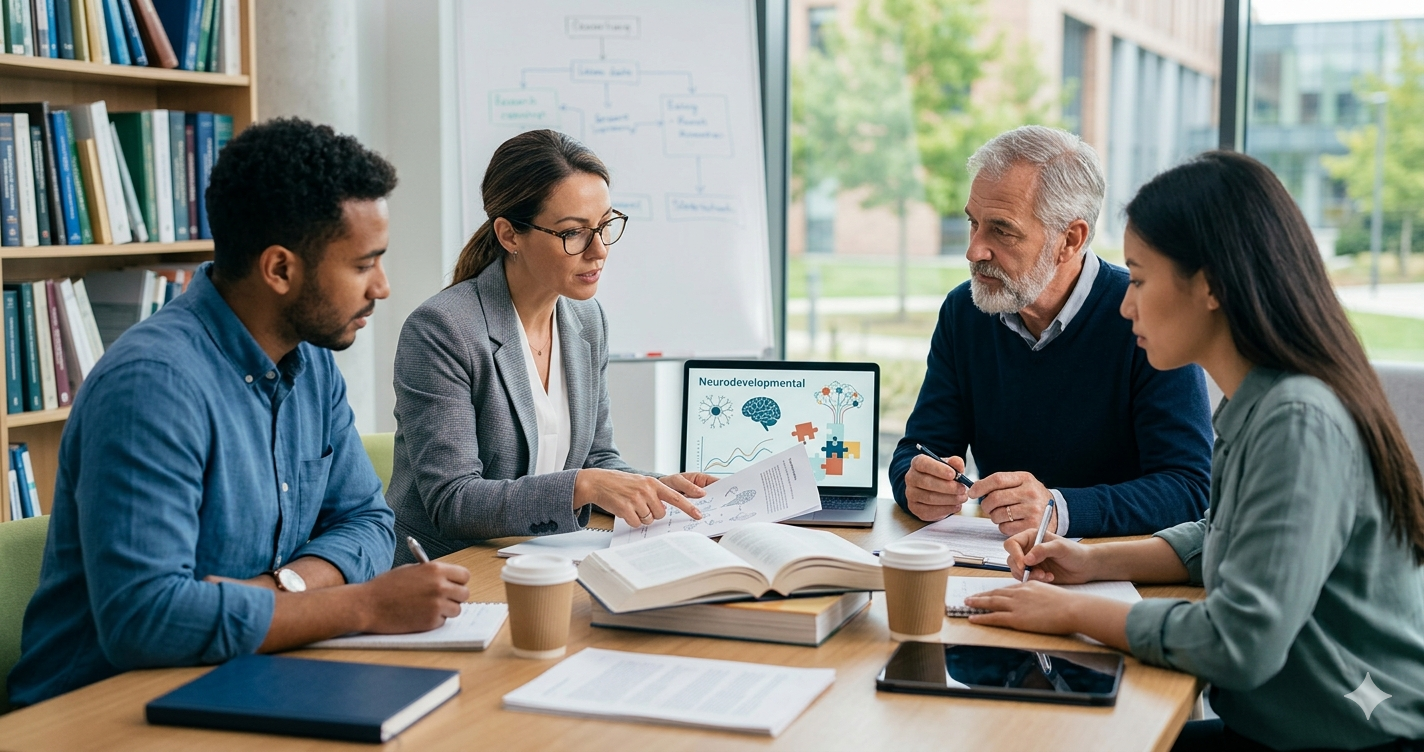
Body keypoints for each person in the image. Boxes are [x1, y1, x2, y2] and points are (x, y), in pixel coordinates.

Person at [965, 152, 1424, 751]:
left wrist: (1070, 612)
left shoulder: (1297, 420)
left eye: (1138, 279)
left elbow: (1239, 644)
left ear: (1209, 286)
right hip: (1286, 728)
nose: (1126, 304)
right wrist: (1088, 561)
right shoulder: (1258, 401)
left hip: (1356, 741)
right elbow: (1220, 534)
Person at [7, 119, 470, 707]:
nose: (381, 287)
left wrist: (283, 588)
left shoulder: (311, 362)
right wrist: (365, 605)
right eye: (362, 264)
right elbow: (146, 619)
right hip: (99, 709)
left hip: (246, 676)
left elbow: (368, 523)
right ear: (279, 269)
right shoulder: (151, 386)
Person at [388, 129, 714, 563]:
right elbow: (453, 501)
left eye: (605, 226)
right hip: (449, 571)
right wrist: (583, 485)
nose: (598, 251)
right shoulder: (442, 330)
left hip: (542, 558)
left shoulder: (585, 320)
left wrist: (663, 488)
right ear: (509, 235)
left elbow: (598, 458)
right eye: (573, 233)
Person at [889, 125, 1213, 538]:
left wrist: (1059, 509)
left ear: (1070, 240)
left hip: (1119, 572)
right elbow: (920, 448)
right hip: (997, 562)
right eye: (973, 223)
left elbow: (1188, 487)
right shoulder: (964, 311)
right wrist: (914, 483)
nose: (974, 250)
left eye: (1002, 230)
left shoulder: (1145, 317)